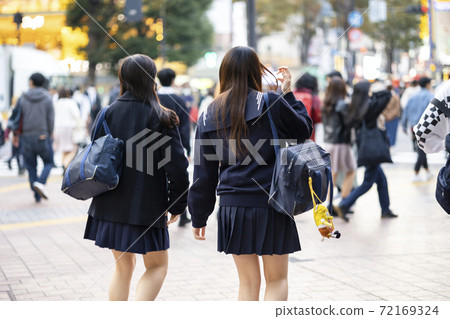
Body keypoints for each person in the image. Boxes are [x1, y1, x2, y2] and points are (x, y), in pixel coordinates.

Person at [188, 46, 313, 301]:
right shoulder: (269, 102)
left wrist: (199, 216)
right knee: (276, 280)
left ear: (224, 73)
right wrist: (287, 92)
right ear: (256, 71)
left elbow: (203, 174)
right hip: (273, 202)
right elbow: (303, 129)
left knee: (247, 283)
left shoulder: (208, 114)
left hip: (233, 207)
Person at [83, 54, 189, 301]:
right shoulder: (163, 116)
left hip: (109, 203)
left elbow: (97, 152)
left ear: (123, 78)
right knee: (157, 266)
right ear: (151, 78)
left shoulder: (107, 113)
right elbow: (177, 167)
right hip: (147, 206)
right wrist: (177, 204)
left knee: (122, 268)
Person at [334, 81, 397, 219]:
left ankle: (385, 209)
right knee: (368, 183)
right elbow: (386, 96)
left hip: (365, 147)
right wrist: (376, 91)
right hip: (372, 149)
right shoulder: (368, 107)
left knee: (381, 180)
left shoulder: (356, 106)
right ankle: (344, 204)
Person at [156, 68, 192, 227]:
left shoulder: (153, 98)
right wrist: (186, 147)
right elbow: (185, 126)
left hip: (153, 147)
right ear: (172, 80)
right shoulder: (179, 100)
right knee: (177, 174)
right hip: (174, 144)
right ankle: (181, 213)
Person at [15, 73, 54, 202]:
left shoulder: (23, 98)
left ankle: (36, 193)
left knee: (31, 166)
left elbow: (17, 118)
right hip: (42, 136)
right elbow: (51, 118)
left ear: (31, 82)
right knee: (49, 162)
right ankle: (40, 183)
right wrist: (50, 132)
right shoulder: (48, 97)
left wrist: (16, 135)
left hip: (26, 136)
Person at [321, 77, 355, 218]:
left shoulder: (326, 103)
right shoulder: (342, 104)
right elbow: (348, 123)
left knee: (333, 174)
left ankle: (330, 205)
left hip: (329, 142)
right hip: (341, 142)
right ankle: (343, 202)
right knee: (351, 171)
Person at [401, 76, 433, 182]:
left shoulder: (412, 97)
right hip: (425, 127)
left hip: (413, 127)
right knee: (422, 150)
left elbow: (405, 111)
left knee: (421, 149)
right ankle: (416, 172)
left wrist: (404, 125)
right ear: (428, 85)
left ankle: (427, 171)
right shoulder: (430, 96)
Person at [414, 80, 450, 153]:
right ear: (427, 85)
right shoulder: (430, 95)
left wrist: (445, 144)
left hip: (424, 123)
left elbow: (421, 132)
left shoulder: (446, 89)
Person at [53, 88, 81, 172]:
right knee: (73, 149)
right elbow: (77, 115)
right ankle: (65, 164)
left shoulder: (56, 103)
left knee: (64, 149)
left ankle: (64, 166)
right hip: (69, 128)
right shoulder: (70, 102)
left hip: (57, 128)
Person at [293, 73, 321, 141]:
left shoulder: (291, 95)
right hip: (308, 137)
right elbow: (318, 118)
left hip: (291, 137)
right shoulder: (314, 98)